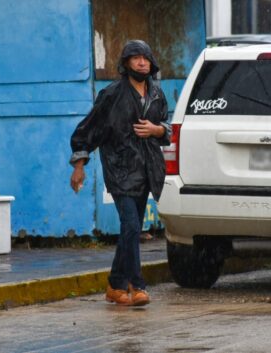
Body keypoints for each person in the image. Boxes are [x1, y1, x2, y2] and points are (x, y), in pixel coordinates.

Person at [69, 40, 170, 306]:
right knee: (132, 226)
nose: (141, 62)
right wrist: (79, 165)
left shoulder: (157, 95)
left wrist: (157, 130)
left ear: (151, 63)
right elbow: (88, 129)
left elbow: (166, 126)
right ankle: (137, 285)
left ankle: (115, 285)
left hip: (147, 170)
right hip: (120, 170)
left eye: (145, 58)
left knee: (130, 230)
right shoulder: (112, 95)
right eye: (135, 58)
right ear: (126, 64)